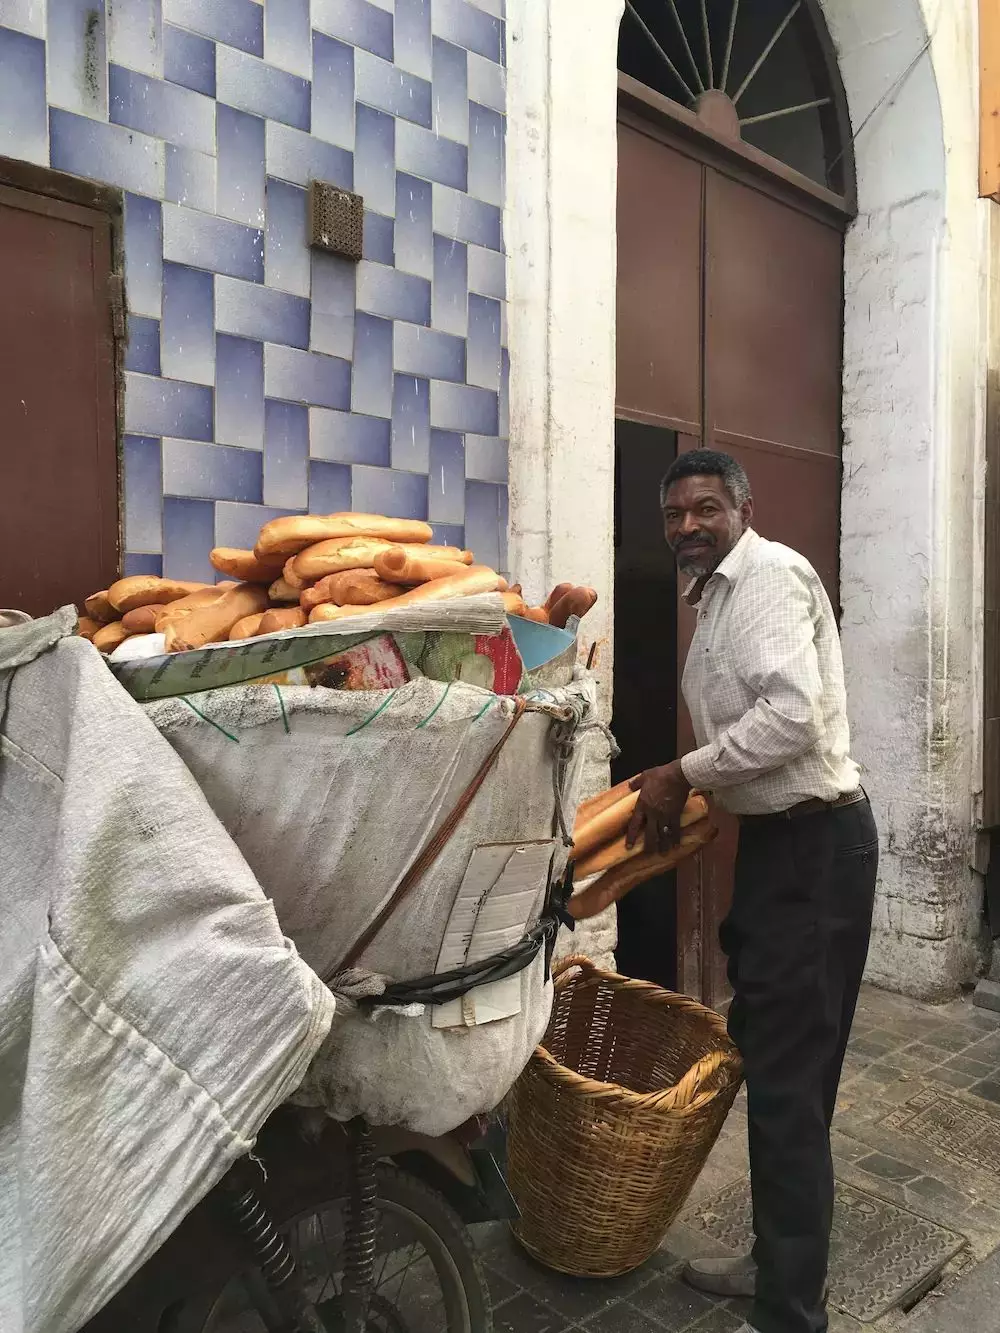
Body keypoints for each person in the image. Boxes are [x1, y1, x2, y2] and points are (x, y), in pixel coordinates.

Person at [626, 449, 878, 1333]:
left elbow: (792, 715)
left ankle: (790, 1311)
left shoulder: (767, 576)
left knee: (789, 1086)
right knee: (779, 1069)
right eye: (673, 514)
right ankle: (777, 1264)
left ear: (741, 507)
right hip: (782, 850)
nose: (687, 526)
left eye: (703, 508)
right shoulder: (716, 597)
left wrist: (682, 773)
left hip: (815, 852)